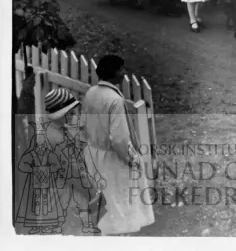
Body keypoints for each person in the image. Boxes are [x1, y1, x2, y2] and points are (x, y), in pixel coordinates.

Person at [82, 55, 155, 235]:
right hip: (112, 158)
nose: (124, 73)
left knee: (103, 200)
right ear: (114, 73)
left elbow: (83, 124)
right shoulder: (115, 100)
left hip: (94, 154)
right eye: (121, 69)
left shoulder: (91, 93)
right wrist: (133, 158)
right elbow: (120, 139)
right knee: (121, 203)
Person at [42, 88, 103, 235]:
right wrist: (93, 193)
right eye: (70, 111)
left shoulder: (53, 131)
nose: (73, 115)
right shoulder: (57, 138)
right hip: (65, 197)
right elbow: (73, 173)